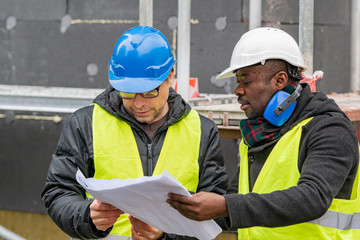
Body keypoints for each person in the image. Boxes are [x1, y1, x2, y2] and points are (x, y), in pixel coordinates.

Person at [167, 27, 360, 239]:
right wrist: (175, 214)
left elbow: (312, 198)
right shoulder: (258, 134)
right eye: (238, 81)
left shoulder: (329, 129)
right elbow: (236, 201)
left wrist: (225, 206)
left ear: (279, 80)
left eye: (246, 81)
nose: (237, 90)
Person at [41, 26, 228, 240]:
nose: (138, 104)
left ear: (170, 76)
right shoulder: (84, 124)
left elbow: (216, 209)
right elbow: (58, 193)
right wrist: (87, 216)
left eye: (149, 92)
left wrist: (164, 236)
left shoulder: (202, 130)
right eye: (128, 93)